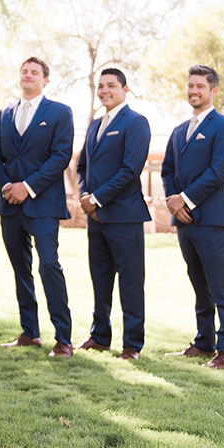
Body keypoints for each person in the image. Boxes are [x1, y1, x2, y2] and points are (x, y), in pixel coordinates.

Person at [0, 57, 74, 358]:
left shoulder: (60, 113)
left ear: (45, 80)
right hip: (10, 203)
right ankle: (30, 332)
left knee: (49, 265)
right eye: (24, 71)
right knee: (20, 269)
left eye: (34, 72)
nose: (28, 75)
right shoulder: (5, 112)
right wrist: (7, 186)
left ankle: (63, 339)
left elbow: (60, 156)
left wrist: (29, 187)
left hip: (44, 205)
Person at [161, 65, 224, 369]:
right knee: (198, 284)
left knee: (220, 286)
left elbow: (218, 172)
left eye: (200, 87)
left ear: (213, 90)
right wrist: (174, 201)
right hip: (184, 222)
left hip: (213, 221)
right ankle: (204, 342)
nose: (194, 91)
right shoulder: (180, 130)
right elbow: (168, 169)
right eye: (190, 86)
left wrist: (187, 198)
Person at [75, 68, 151, 360]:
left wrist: (96, 198)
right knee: (100, 277)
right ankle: (100, 335)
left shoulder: (136, 122)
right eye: (100, 86)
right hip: (95, 218)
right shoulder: (95, 124)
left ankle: (132, 344)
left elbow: (130, 170)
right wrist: (84, 195)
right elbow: (83, 167)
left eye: (111, 85)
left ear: (125, 89)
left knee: (131, 282)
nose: (104, 90)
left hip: (125, 217)